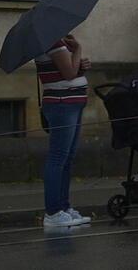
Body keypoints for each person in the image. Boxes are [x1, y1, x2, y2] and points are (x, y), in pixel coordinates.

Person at [36, 34, 92, 227]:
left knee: (67, 158)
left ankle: (64, 208)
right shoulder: (53, 42)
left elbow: (70, 71)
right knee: (58, 158)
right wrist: (78, 51)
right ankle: (53, 212)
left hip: (71, 104)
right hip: (62, 105)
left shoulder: (60, 43)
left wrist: (80, 64)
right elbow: (68, 73)